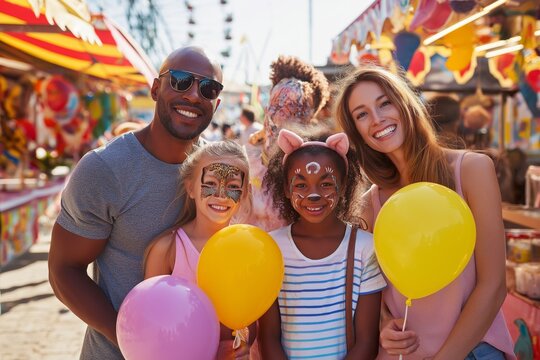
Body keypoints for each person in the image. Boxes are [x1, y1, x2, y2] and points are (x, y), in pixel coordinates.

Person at [48, 46, 224, 359]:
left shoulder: (221, 172)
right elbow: (64, 271)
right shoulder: (105, 169)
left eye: (208, 88)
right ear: (156, 88)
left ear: (217, 103)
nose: (195, 95)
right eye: (181, 80)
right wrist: (135, 342)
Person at [334, 66, 515, 359]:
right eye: (362, 114)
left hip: (472, 352)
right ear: (357, 131)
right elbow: (373, 291)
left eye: (384, 103)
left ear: (405, 103)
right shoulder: (370, 205)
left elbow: (493, 286)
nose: (377, 119)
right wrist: (384, 325)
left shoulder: (472, 170)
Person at [258, 128, 386, 360]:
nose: (313, 194)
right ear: (286, 189)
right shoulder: (271, 248)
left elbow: (367, 341)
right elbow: (268, 337)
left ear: (344, 185)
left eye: (326, 184)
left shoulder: (365, 248)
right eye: (301, 185)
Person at [143, 140, 256, 359]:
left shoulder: (248, 249)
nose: (221, 195)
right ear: (190, 188)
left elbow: (250, 318)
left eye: (233, 186)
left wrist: (241, 344)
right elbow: (149, 319)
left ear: (244, 193)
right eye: (211, 183)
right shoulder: (168, 249)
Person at [247, 55, 330, 231]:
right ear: (267, 108)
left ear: (308, 122)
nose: (279, 116)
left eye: (292, 111)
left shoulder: (315, 173)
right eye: (276, 106)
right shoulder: (245, 165)